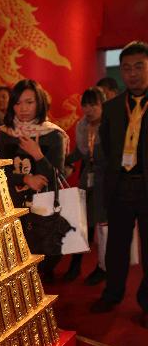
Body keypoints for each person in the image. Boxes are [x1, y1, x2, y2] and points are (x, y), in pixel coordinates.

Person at [92, 41, 148, 328]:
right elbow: (104, 153)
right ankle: (112, 294)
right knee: (116, 247)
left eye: (139, 66)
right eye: (127, 68)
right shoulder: (112, 108)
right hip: (120, 186)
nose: (133, 73)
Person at [0, 79, 68, 281]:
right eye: (17, 103)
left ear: (39, 103)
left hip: (44, 207)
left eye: (29, 102)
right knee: (13, 255)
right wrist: (26, 178)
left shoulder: (53, 134)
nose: (23, 109)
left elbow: (58, 176)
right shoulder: (4, 134)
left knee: (45, 256)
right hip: (12, 204)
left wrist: (38, 156)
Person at [64, 87, 106, 284]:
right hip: (86, 181)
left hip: (105, 181)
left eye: (93, 105)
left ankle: (103, 267)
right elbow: (80, 153)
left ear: (102, 105)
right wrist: (62, 160)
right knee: (81, 225)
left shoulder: (110, 125)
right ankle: (75, 265)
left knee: (103, 228)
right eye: (85, 105)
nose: (89, 109)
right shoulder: (82, 126)